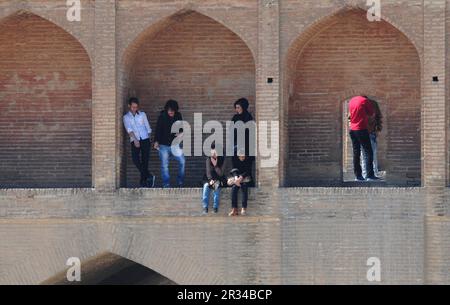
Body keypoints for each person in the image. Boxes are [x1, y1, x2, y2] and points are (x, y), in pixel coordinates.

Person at [123, 97, 155, 188]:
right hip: (134, 139)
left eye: (136, 107)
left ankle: (143, 183)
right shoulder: (126, 117)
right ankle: (149, 175)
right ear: (129, 106)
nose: (134, 109)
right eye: (133, 107)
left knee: (145, 161)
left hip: (145, 139)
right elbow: (129, 129)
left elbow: (147, 127)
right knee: (135, 159)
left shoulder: (142, 114)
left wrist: (149, 139)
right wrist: (135, 140)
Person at [154, 100, 186, 188]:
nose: (171, 112)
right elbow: (158, 130)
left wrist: (181, 134)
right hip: (163, 145)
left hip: (174, 145)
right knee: (164, 165)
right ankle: (166, 184)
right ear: (166, 110)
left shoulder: (178, 115)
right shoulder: (162, 116)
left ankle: (180, 182)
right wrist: (156, 141)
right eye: (169, 110)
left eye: (173, 110)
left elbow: (182, 129)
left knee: (182, 161)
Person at [348, 96, 380, 182]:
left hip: (352, 130)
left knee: (356, 153)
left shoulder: (351, 101)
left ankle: (358, 176)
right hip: (361, 129)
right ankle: (369, 175)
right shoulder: (365, 101)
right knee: (368, 152)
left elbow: (350, 115)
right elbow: (372, 114)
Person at [361, 99, 383, 179]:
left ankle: (366, 174)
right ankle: (372, 173)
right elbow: (379, 117)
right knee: (371, 154)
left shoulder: (360, 104)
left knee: (364, 155)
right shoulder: (373, 103)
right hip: (368, 133)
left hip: (363, 132)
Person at [202, 145, 226, 215]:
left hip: (219, 179)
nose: (213, 154)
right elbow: (208, 172)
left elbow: (221, 173)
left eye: (215, 153)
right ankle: (205, 207)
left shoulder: (223, 160)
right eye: (212, 152)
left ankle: (215, 207)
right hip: (209, 179)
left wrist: (215, 166)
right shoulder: (208, 159)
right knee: (206, 186)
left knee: (216, 187)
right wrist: (210, 180)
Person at [228, 149, 253, 217]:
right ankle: (234, 209)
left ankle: (243, 208)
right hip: (237, 180)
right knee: (234, 189)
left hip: (245, 179)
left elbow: (248, 171)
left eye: (243, 157)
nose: (242, 158)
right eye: (241, 157)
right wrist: (236, 178)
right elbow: (234, 170)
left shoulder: (248, 161)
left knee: (244, 188)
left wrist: (241, 177)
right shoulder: (235, 161)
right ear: (238, 156)